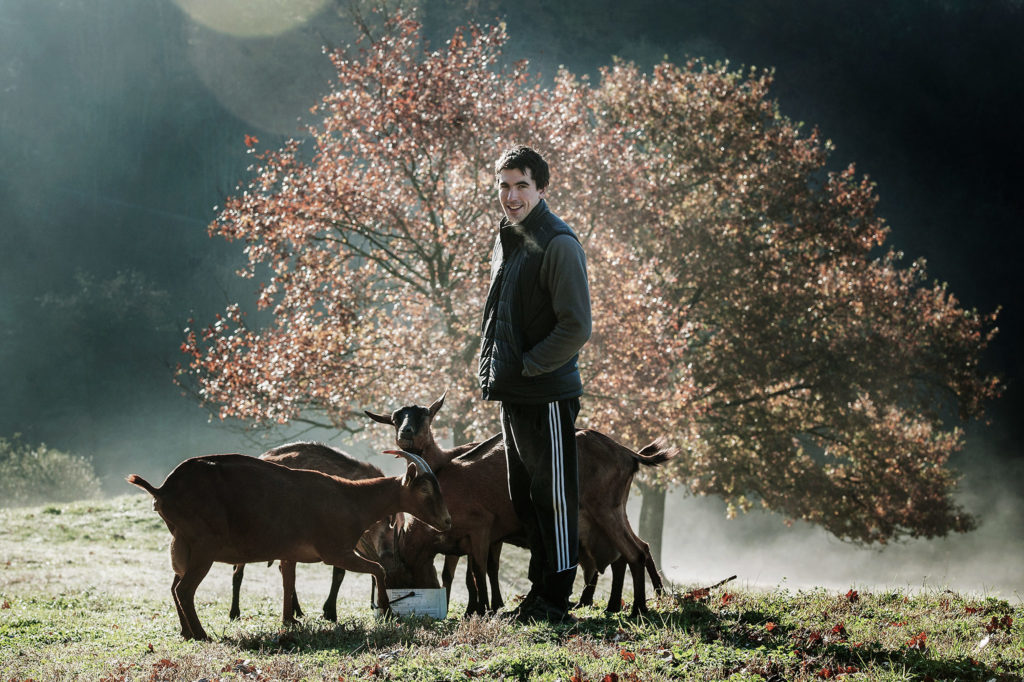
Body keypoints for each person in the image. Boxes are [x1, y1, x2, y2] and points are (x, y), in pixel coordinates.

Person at [478, 145, 592, 622]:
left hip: (545, 393)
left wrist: (527, 367)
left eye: (522, 185)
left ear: (542, 189)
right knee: (525, 499)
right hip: (514, 393)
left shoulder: (559, 243)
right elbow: (500, 316)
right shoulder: (507, 238)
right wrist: (494, 369)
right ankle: (538, 594)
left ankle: (556, 599)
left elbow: (576, 326)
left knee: (554, 499)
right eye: (504, 186)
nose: (512, 195)